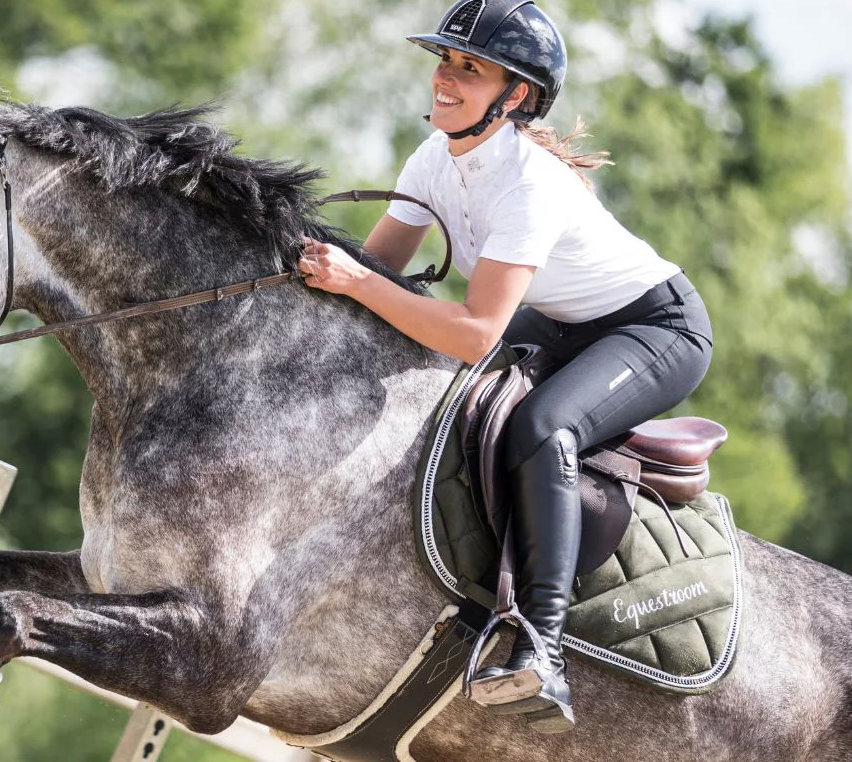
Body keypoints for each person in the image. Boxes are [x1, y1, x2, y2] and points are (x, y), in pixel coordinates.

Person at [297, 0, 714, 733]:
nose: (445, 80)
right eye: (445, 62)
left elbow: (472, 330)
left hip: (655, 327)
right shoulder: (434, 155)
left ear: (515, 95)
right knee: (447, 400)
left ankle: (541, 649)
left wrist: (359, 282)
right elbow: (378, 268)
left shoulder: (531, 183)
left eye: (469, 69)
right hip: (560, 319)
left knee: (543, 425)